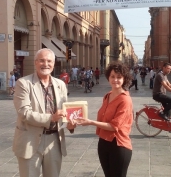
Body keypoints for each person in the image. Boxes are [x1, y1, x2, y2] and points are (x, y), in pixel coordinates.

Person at [12, 48, 76, 177]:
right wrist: (51, 118)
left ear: (54, 64)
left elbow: (64, 111)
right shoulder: (24, 83)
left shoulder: (60, 84)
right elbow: (24, 112)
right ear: (35, 62)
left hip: (54, 140)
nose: (45, 64)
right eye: (41, 61)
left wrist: (70, 124)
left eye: (49, 61)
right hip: (30, 139)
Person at [75, 62, 133, 177]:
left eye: (119, 77)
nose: (115, 80)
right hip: (103, 143)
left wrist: (91, 122)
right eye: (112, 76)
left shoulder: (125, 100)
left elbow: (114, 126)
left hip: (118, 145)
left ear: (124, 79)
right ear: (108, 77)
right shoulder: (107, 95)